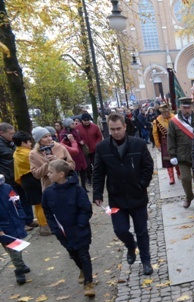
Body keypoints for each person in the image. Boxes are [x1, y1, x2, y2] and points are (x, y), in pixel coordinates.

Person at [93, 113, 154, 275]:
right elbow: (98, 172)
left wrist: (141, 185)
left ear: (125, 126)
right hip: (116, 198)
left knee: (142, 231)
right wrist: (97, 194)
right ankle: (130, 245)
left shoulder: (138, 144)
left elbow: (148, 167)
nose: (116, 132)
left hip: (137, 196)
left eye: (119, 128)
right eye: (112, 129)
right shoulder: (102, 147)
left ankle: (146, 261)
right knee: (120, 229)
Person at [42, 160, 94, 297]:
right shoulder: (48, 193)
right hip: (63, 233)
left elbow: (86, 209)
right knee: (73, 254)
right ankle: (82, 270)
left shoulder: (77, 190)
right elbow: (47, 211)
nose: (48, 174)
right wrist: (54, 228)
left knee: (83, 255)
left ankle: (88, 283)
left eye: (51, 172)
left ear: (61, 174)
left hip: (80, 230)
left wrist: (81, 224)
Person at [29, 127, 75, 236]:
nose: (49, 138)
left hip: (66, 185)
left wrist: (57, 160)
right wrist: (47, 164)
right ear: (38, 140)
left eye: (49, 135)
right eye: (45, 137)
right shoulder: (33, 154)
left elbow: (72, 166)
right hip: (50, 188)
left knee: (71, 211)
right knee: (56, 213)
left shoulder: (60, 147)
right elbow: (36, 174)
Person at [168, 97, 194, 209]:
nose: (187, 110)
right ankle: (189, 197)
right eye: (184, 108)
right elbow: (171, 138)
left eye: (188, 108)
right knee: (185, 179)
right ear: (180, 107)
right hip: (182, 155)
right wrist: (172, 155)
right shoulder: (174, 122)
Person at [0, 173, 30, 285]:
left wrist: (21, 216)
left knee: (16, 247)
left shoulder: (7, 187)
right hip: (4, 227)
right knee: (13, 249)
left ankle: (20, 265)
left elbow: (16, 201)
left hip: (15, 221)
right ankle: (19, 270)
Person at [12, 131, 40, 231]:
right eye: (29, 142)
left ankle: (41, 222)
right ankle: (44, 225)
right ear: (23, 143)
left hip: (26, 180)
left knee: (37, 204)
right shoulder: (28, 154)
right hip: (32, 179)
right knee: (40, 203)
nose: (31, 144)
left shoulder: (16, 152)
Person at [152, 104, 181, 185]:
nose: (165, 114)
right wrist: (158, 145)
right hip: (165, 142)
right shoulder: (157, 120)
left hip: (175, 140)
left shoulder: (175, 117)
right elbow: (155, 133)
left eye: (166, 112)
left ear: (169, 111)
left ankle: (179, 173)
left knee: (177, 158)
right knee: (167, 160)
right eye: (163, 112)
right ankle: (171, 177)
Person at [76, 112, 104, 188]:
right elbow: (76, 137)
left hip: (94, 149)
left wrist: (96, 144)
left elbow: (99, 136)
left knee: (96, 164)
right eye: (85, 120)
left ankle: (97, 178)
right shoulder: (77, 128)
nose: (86, 122)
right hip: (84, 150)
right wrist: (80, 141)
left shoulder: (94, 127)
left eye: (88, 120)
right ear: (82, 120)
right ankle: (89, 178)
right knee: (87, 166)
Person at [59, 118, 88, 192]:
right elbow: (62, 145)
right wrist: (70, 141)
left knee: (83, 170)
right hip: (71, 154)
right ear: (68, 125)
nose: (74, 124)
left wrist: (81, 141)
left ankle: (84, 186)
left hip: (80, 153)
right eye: (72, 123)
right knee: (74, 171)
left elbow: (81, 138)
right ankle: (76, 188)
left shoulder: (76, 131)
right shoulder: (63, 133)